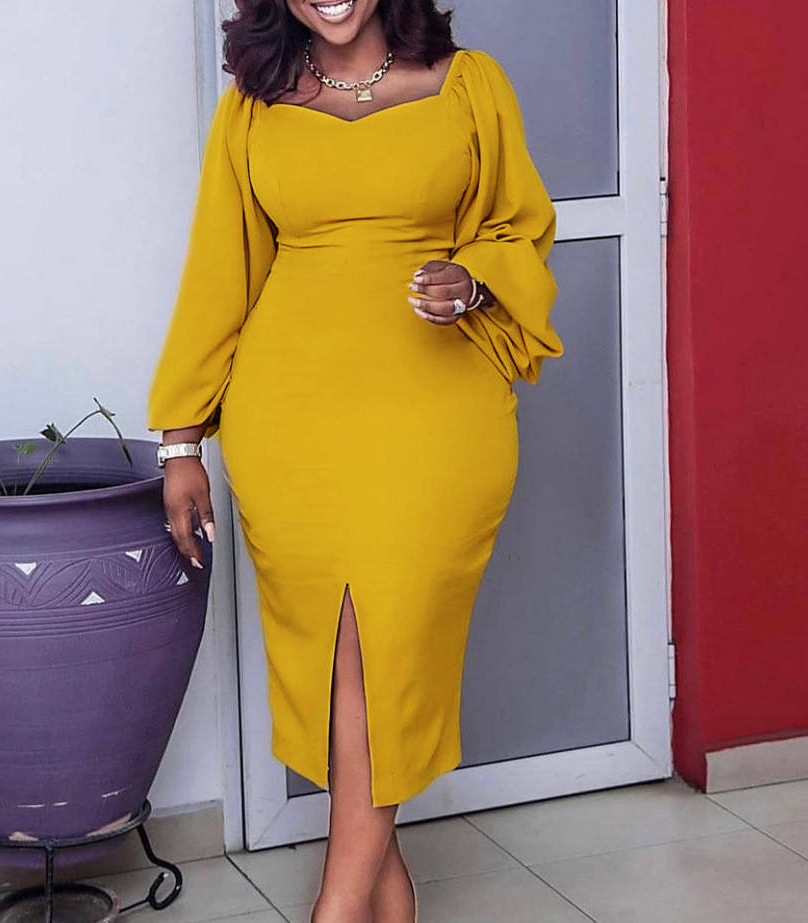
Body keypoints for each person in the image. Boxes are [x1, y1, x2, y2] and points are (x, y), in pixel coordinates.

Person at [147, 1, 563, 920]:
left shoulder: (469, 85)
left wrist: (473, 280)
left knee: (388, 647)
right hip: (290, 419)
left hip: (434, 416)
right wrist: (181, 440)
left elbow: (519, 227)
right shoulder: (252, 106)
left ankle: (333, 908)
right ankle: (384, 896)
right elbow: (218, 271)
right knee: (340, 658)